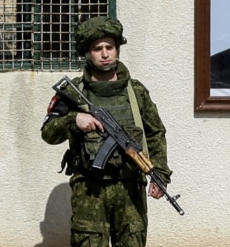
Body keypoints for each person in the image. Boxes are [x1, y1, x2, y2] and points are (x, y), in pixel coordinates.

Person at [41, 16, 173, 247]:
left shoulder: (136, 92)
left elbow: (155, 133)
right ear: (87, 53)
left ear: (117, 50)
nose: (105, 54)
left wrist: (159, 174)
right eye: (97, 48)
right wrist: (74, 119)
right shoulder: (72, 91)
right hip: (89, 191)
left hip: (131, 189)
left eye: (110, 47)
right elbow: (48, 133)